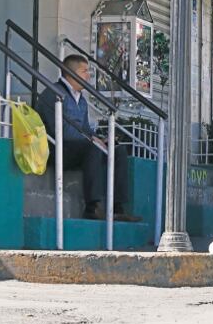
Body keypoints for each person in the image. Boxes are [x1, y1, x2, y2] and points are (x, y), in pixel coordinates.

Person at [35, 55, 139, 222]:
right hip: (56, 148)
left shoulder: (81, 99)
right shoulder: (53, 94)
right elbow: (61, 131)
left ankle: (117, 207)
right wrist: (91, 140)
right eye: (84, 71)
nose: (88, 76)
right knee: (92, 148)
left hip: (77, 148)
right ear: (70, 73)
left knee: (117, 150)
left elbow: (84, 129)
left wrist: (100, 139)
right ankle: (92, 207)